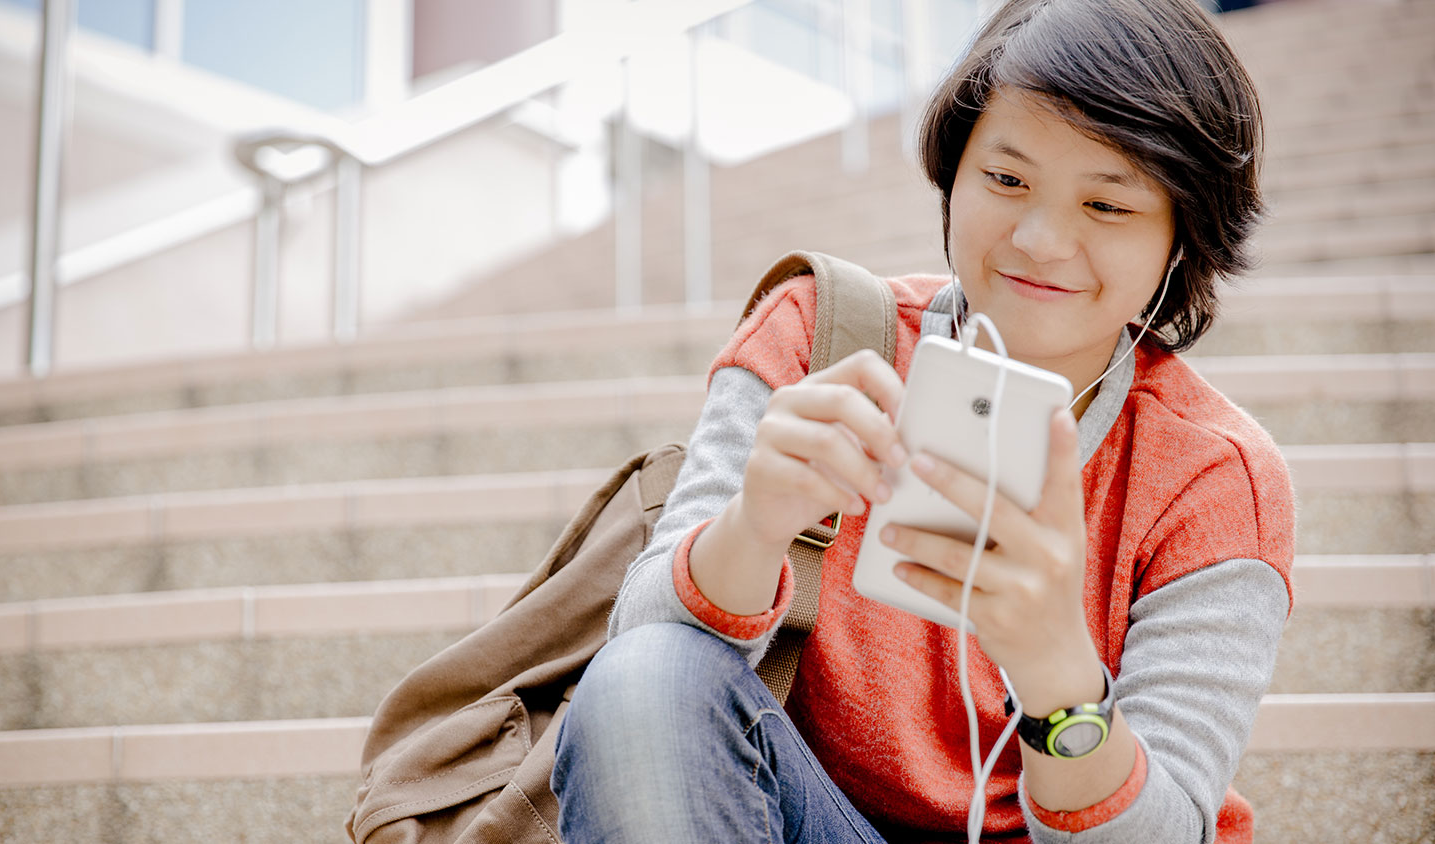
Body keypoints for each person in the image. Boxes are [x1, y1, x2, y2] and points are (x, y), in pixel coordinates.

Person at [551, 0, 1295, 839]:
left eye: (1108, 206)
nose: (1041, 239)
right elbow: (639, 666)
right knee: (648, 676)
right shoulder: (818, 338)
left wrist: (1057, 671)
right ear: (954, 174)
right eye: (1007, 180)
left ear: (1182, 235)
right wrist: (753, 529)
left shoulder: (1212, 478)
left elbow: (1162, 830)